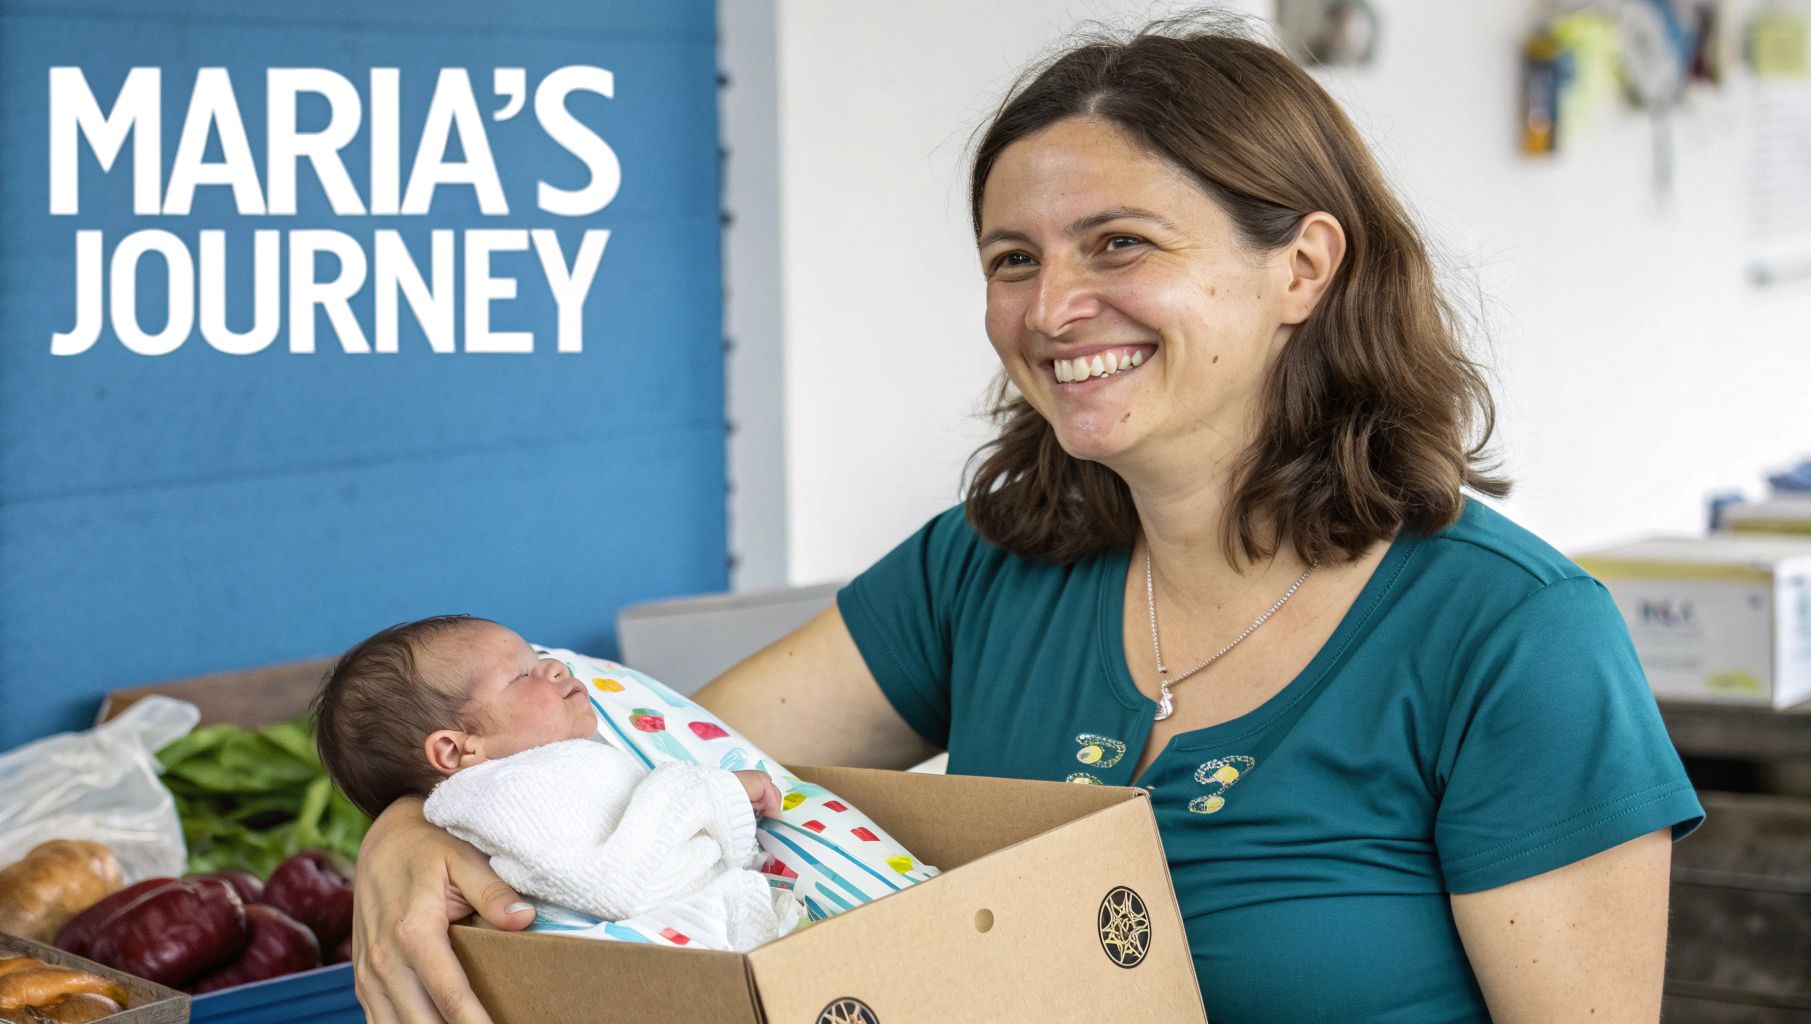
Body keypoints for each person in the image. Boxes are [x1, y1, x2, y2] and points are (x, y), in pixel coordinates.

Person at [349, 15, 1702, 1023]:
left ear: (1301, 267)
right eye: (1013, 260)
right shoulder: (986, 569)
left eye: (1119, 244)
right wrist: (418, 821)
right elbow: (646, 760)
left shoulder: (1510, 638)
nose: (1050, 310)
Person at [312, 615, 800, 951]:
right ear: (457, 750)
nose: (556, 667)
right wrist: (716, 792)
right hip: (696, 950)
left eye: (541, 657)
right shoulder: (513, 792)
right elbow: (614, 883)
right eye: (522, 674)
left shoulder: (543, 769)